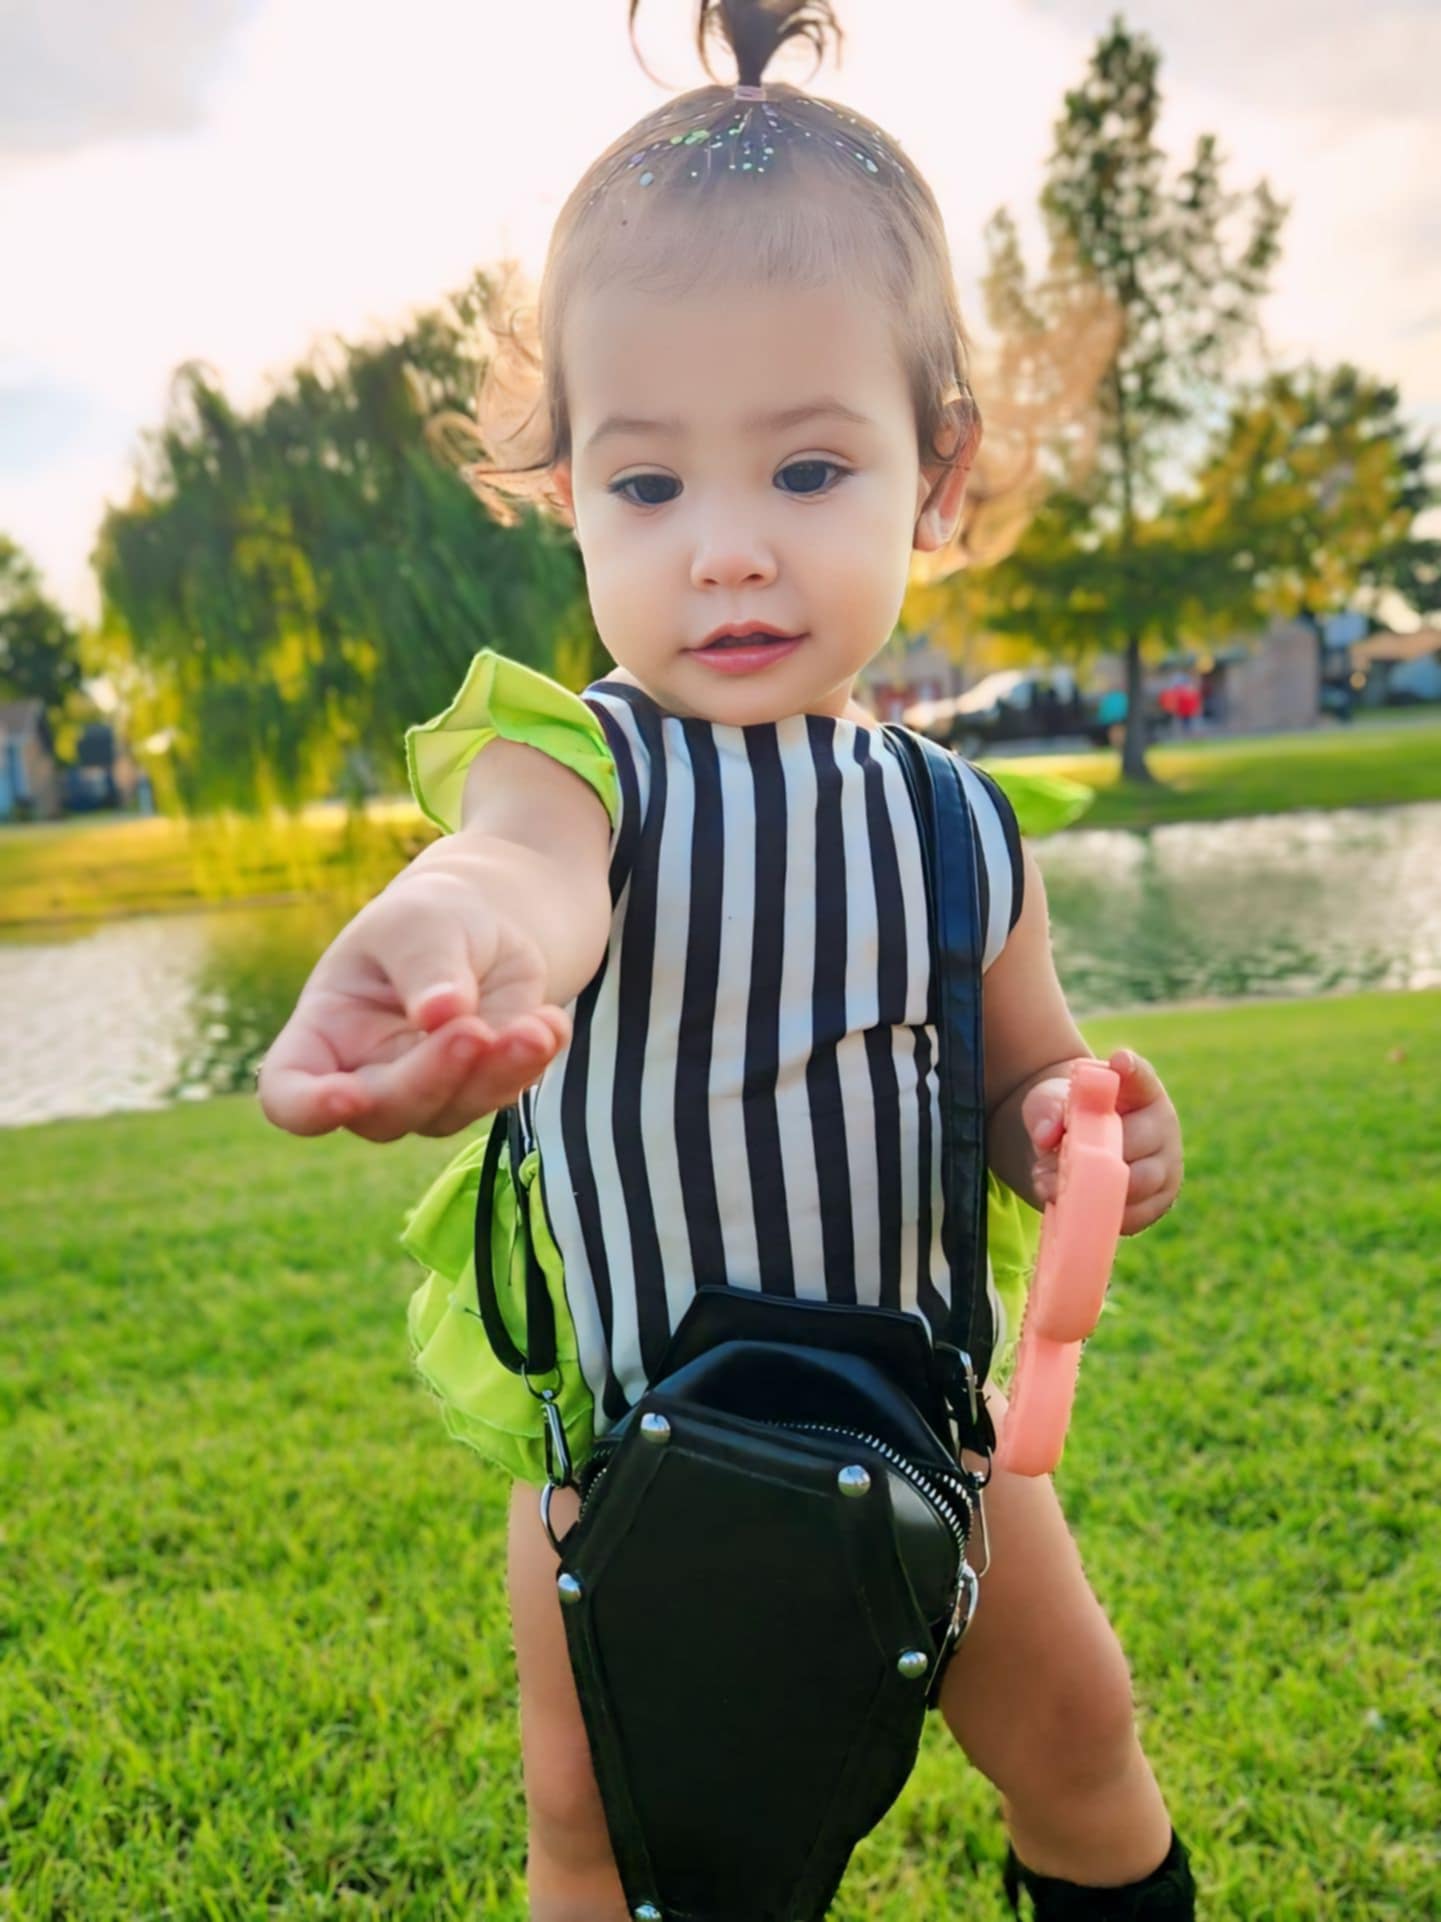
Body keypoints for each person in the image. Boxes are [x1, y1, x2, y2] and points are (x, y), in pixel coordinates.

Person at [258, 4, 1192, 1916]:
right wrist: (443, 946)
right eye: (654, 486)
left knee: (1082, 1746)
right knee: (600, 1824)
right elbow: (519, 881)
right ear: (570, 491)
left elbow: (1026, 1077)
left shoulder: (958, 825)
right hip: (637, 1458)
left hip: (933, 1436)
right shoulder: (577, 763)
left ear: (935, 476)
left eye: (808, 472)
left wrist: (1076, 1123)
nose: (729, 553)